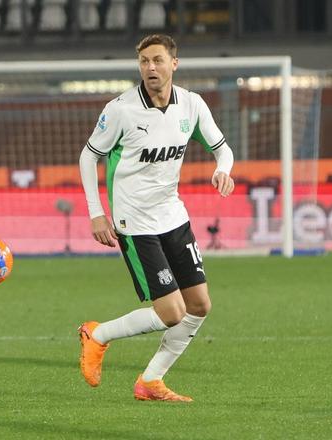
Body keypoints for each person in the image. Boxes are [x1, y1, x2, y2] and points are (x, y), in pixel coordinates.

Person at [77, 34, 234, 402]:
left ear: (173, 64)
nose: (150, 67)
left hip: (173, 216)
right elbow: (88, 156)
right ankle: (97, 335)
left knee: (199, 306)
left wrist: (223, 169)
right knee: (171, 312)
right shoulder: (121, 109)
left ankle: (151, 381)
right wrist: (97, 213)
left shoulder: (191, 105)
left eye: (158, 60)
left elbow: (223, 149)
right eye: (144, 61)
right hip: (135, 223)